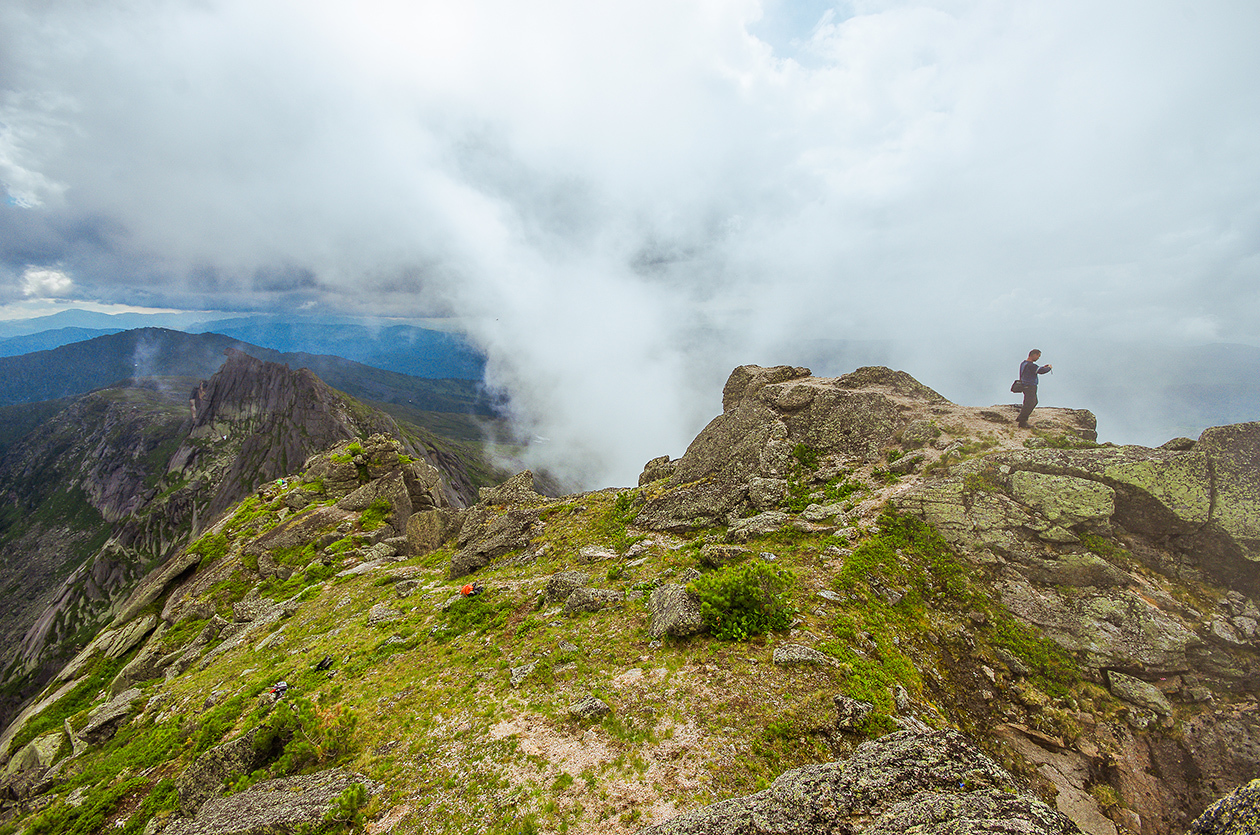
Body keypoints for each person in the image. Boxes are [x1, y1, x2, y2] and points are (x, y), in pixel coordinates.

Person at [1016, 349, 1052, 427]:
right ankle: (1022, 421)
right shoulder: (1031, 365)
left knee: (1030, 402)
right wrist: (1049, 368)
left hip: (1025, 385)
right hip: (1030, 386)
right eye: (1038, 356)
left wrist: (1043, 367)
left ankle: (1021, 418)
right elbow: (1041, 371)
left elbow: (1038, 369)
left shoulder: (1024, 363)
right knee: (1030, 403)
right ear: (1034, 355)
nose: (1038, 358)